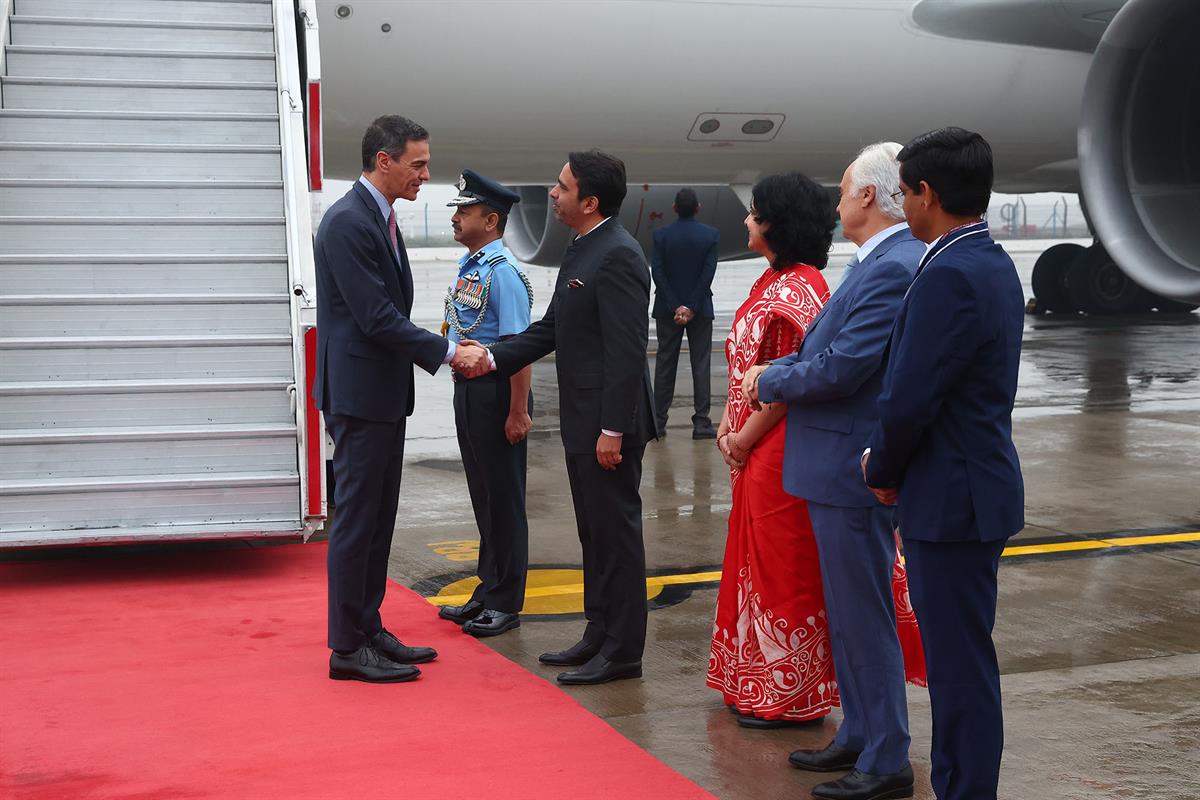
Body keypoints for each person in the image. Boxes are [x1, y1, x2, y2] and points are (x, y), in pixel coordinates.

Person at [742, 145, 927, 800]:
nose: (837, 201)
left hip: (848, 469)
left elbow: (845, 367)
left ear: (870, 197)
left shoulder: (893, 266)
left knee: (863, 613)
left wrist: (773, 376)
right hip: (831, 467)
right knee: (847, 614)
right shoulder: (876, 264)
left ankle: (885, 757)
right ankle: (861, 733)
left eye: (845, 190)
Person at [862, 127, 1024, 800]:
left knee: (959, 672)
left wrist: (881, 467)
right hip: (973, 488)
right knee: (965, 665)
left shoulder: (949, 274)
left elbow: (910, 397)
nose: (903, 207)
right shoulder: (987, 261)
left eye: (904, 194)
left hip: (950, 498)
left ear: (927, 193)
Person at [458, 150, 656, 685]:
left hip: (606, 426)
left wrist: (613, 428)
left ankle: (622, 652)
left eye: (562, 187)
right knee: (594, 534)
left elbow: (627, 348)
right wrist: (495, 357)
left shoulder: (619, 254)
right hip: (584, 421)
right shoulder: (584, 248)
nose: (552, 193)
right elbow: (553, 329)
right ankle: (599, 633)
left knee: (616, 536)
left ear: (589, 202)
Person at [313, 115, 488, 683]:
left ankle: (367, 627)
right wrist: (445, 352)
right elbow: (375, 316)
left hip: (381, 394)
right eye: (417, 163)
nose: (425, 174)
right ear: (382, 161)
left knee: (378, 520)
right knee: (358, 522)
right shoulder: (347, 222)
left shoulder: (378, 217)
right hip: (362, 396)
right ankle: (346, 646)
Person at [436, 170, 534, 638]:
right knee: (483, 493)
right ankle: (488, 585)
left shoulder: (503, 273)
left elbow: (518, 349)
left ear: (491, 219)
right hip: (469, 389)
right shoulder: (471, 266)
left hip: (497, 392)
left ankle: (507, 599)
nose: (456, 217)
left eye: (465, 210)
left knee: (504, 497)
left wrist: (518, 410)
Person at [650, 188, 720, 439]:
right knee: (701, 365)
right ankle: (701, 423)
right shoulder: (710, 235)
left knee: (665, 365)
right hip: (700, 310)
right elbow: (707, 274)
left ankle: (658, 422)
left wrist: (675, 306)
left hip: (668, 310)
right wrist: (691, 306)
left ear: (674, 208)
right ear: (698, 208)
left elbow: (657, 272)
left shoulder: (661, 235)